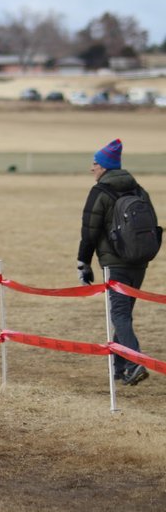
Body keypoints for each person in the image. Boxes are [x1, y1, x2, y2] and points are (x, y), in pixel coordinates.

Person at [76, 138, 152, 386]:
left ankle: (134, 362)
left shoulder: (100, 192)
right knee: (125, 314)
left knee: (120, 314)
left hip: (114, 262)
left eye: (95, 164)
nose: (92, 168)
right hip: (139, 261)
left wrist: (83, 263)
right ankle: (121, 367)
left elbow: (89, 231)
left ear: (105, 167)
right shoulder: (138, 189)